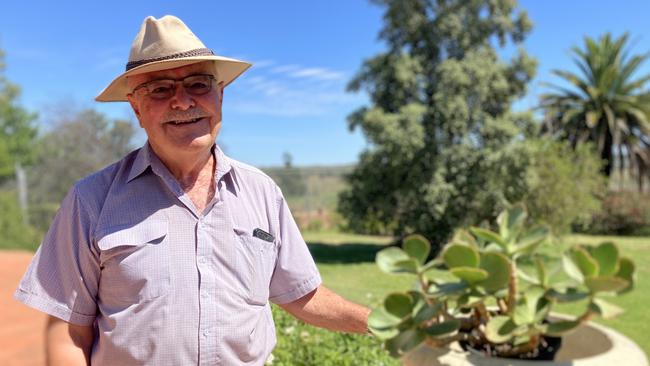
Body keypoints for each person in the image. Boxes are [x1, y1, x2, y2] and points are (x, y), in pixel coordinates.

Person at [15, 15, 370, 365]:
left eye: (198, 84)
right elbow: (66, 330)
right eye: (160, 89)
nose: (183, 102)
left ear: (220, 94)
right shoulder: (92, 200)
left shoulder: (262, 192)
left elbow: (302, 296)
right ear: (136, 108)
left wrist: (391, 325)